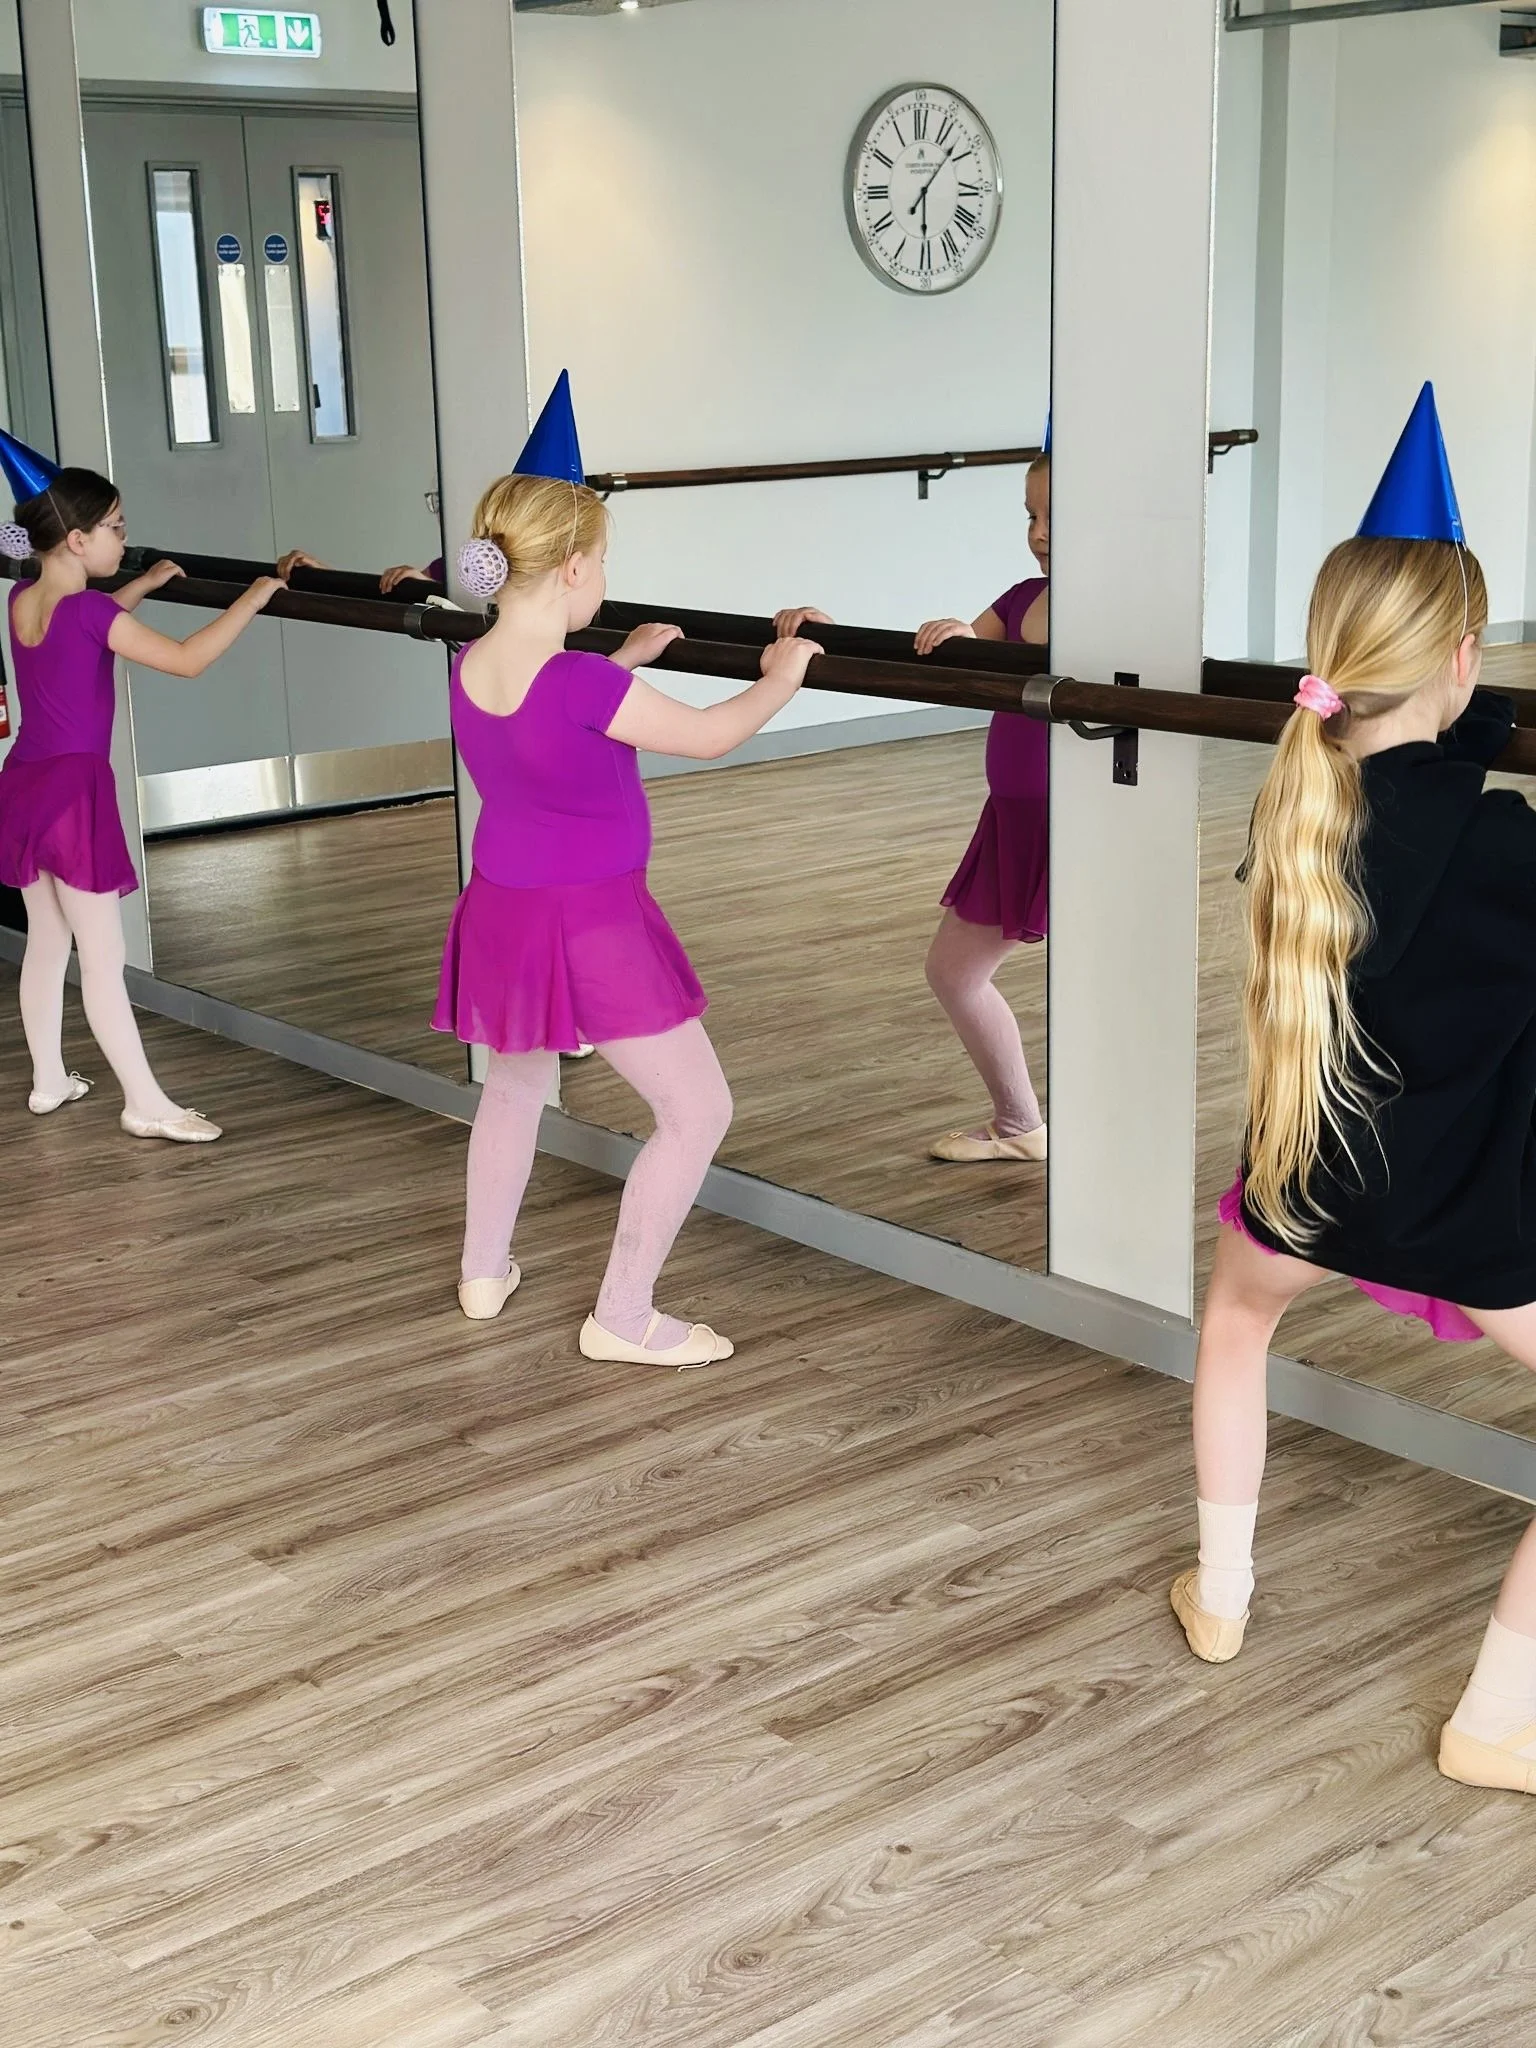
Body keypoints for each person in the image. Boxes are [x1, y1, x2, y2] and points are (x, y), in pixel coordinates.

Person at [1172, 383, 1536, 1794]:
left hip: (1306, 1181)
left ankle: (1222, 1595)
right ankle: (1494, 1720)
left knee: (1234, 1323)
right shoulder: (1500, 847)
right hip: (1470, 1215)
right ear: (1464, 656)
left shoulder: (1295, 810)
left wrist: (1457, 733)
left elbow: (1403, 815)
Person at [436, 375, 819, 1366]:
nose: (605, 575)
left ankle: (483, 1270)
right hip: (591, 920)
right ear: (572, 568)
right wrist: (781, 676)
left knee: (515, 1083)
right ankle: (624, 1314)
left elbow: (547, 730)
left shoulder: (473, 664)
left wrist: (620, 663)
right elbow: (710, 734)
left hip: (503, 907)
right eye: (604, 561)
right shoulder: (582, 682)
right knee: (698, 1109)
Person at [774, 450, 1050, 1164]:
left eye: (1058, 517)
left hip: (1088, 828)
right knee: (953, 971)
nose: (1040, 533)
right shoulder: (1021, 599)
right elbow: (932, 662)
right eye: (1031, 515)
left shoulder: (1123, 619)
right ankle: (1020, 1124)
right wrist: (826, 635)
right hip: (1014, 826)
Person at [0, 453, 285, 1140]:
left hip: (24, 783)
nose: (125, 540)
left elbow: (86, 633)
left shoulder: (23, 600)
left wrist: (144, 584)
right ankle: (145, 1104)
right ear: (78, 539)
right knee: (103, 959)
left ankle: (49, 1080)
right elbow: (187, 660)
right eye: (117, 528)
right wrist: (253, 597)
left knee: (48, 942)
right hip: (74, 795)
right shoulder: (90, 611)